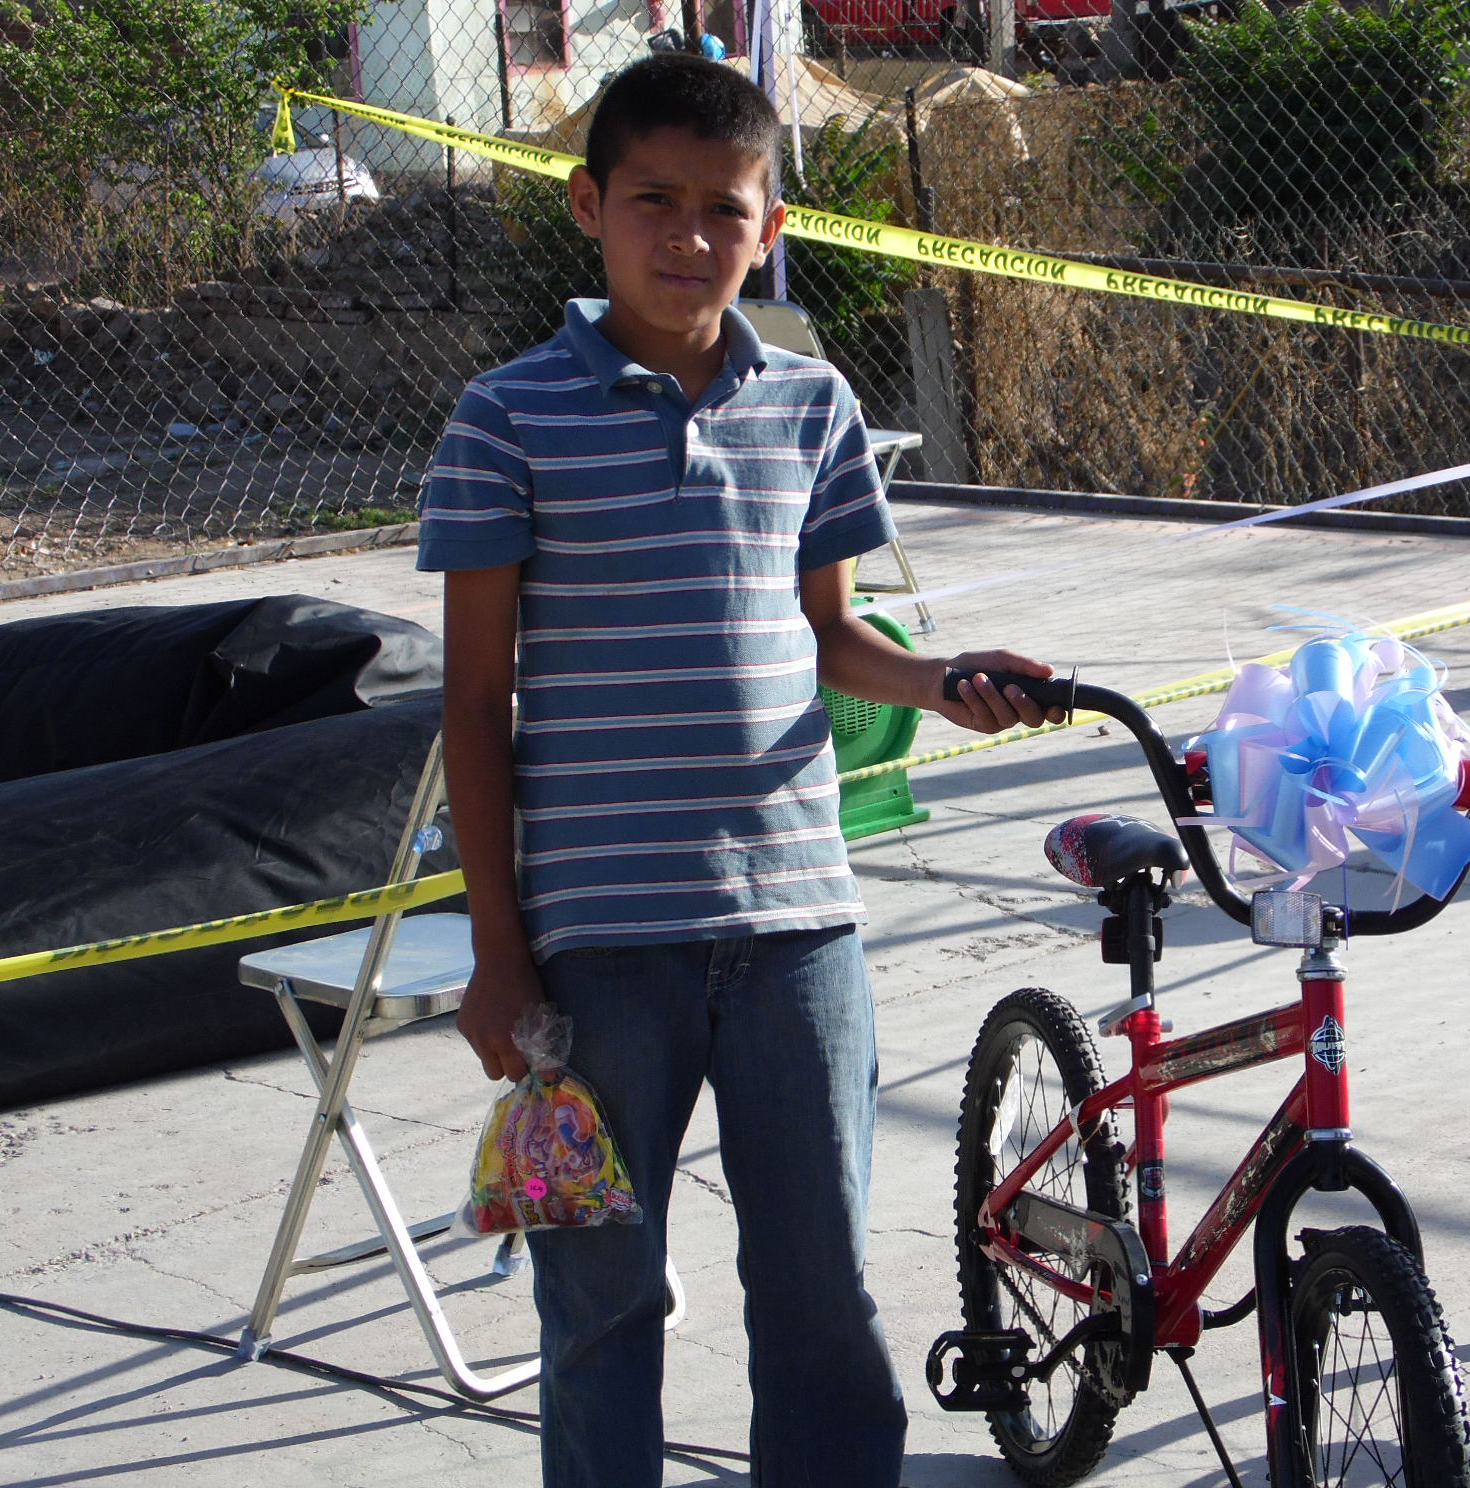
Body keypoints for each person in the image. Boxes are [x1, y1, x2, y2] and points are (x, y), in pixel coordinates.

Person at [416, 52, 1060, 1488]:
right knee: (601, 1306)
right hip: (598, 950)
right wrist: (499, 953)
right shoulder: (505, 420)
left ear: (772, 226)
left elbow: (833, 635)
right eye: (654, 199)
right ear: (587, 205)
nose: (689, 236)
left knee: (822, 1293)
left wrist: (942, 683)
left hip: (796, 933)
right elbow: (472, 701)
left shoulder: (812, 407)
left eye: (726, 208)